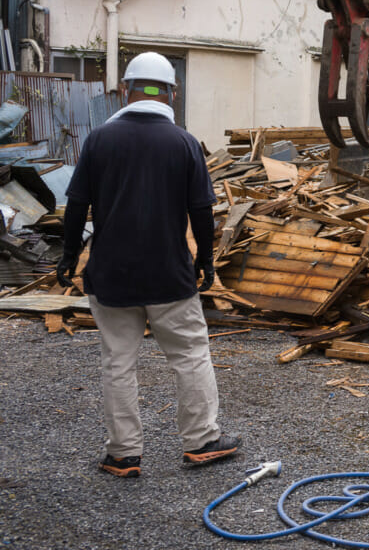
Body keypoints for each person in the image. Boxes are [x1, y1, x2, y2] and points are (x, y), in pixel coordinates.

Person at [56, 51, 239, 478]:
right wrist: (205, 262)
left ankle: (122, 454)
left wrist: (68, 255)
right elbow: (202, 212)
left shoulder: (99, 139)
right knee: (191, 354)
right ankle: (202, 441)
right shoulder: (184, 143)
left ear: (125, 89)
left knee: (117, 360)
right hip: (168, 274)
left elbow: (76, 204)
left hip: (111, 275)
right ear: (172, 94)